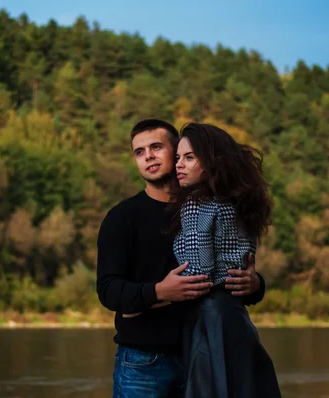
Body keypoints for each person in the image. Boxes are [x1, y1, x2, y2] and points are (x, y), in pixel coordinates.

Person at [96, 119, 267, 397]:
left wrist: (256, 284)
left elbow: (229, 277)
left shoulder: (211, 208)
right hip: (144, 363)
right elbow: (108, 290)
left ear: (178, 152)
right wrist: (159, 291)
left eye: (156, 147)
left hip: (207, 353)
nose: (148, 156)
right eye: (139, 152)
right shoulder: (122, 217)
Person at [171, 122, 281, 397]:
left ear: (210, 162)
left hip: (210, 320)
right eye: (177, 158)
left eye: (189, 157)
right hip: (236, 318)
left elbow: (200, 273)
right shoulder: (235, 204)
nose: (179, 165)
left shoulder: (195, 204)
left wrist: (157, 292)